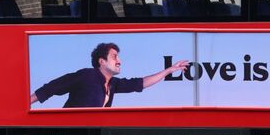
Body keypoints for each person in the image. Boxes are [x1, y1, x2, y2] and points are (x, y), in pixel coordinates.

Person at [30, 42, 190, 108]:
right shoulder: (87, 75)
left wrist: (169, 70)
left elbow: (140, 83)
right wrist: (25, 103)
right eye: (114, 57)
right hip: (72, 134)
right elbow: (53, 87)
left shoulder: (113, 84)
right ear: (102, 61)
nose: (119, 61)